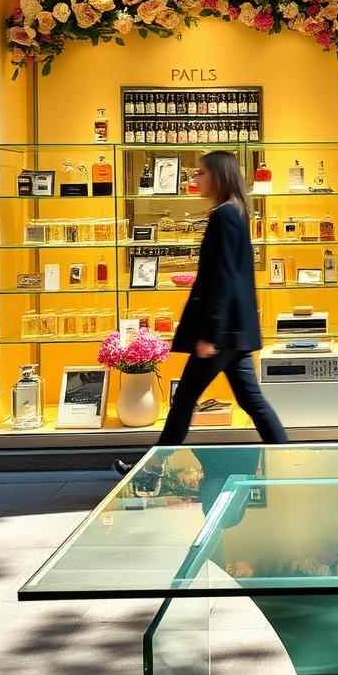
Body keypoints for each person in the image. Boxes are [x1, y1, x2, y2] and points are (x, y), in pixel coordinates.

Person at [113, 151, 287, 476]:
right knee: (252, 402)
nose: (196, 180)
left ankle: (151, 468)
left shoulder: (224, 215)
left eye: (201, 173)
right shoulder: (237, 211)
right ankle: (291, 460)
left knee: (185, 400)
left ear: (218, 176)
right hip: (235, 331)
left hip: (221, 335)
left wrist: (210, 333)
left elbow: (221, 279)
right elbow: (232, 277)